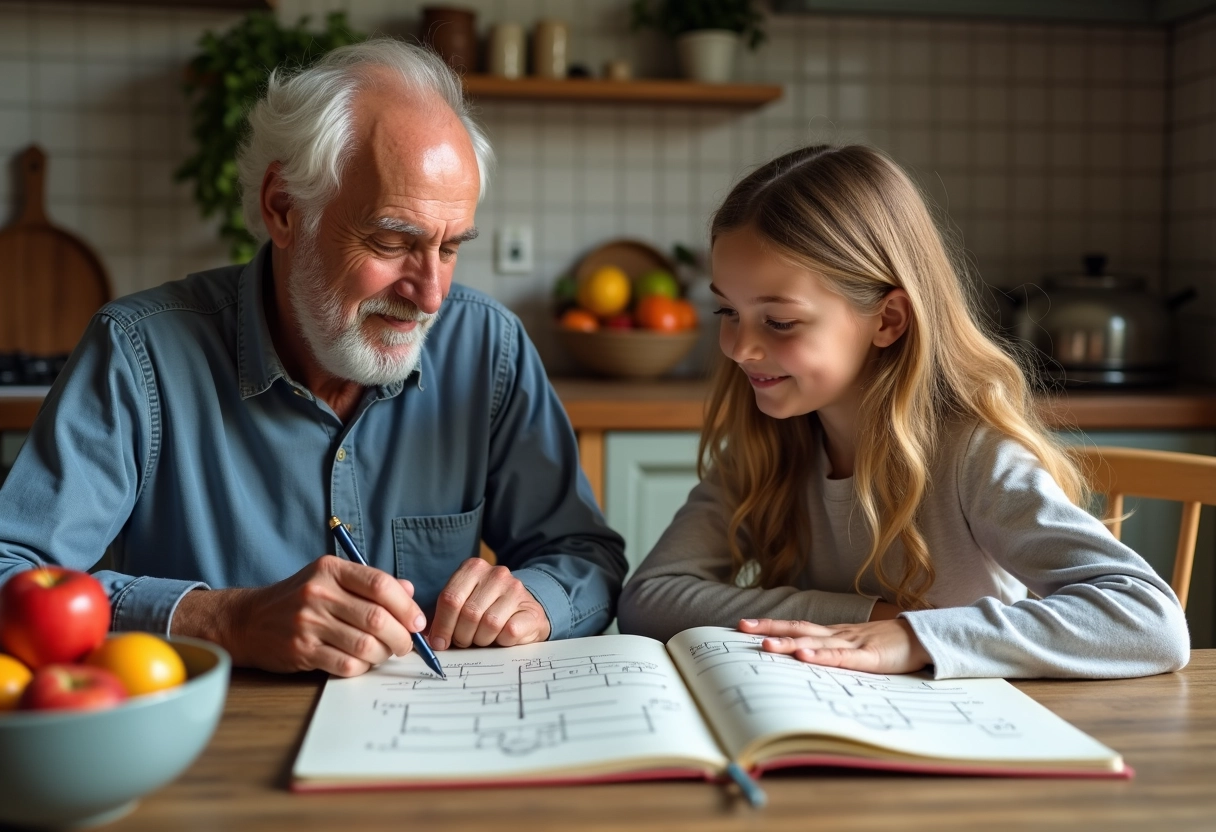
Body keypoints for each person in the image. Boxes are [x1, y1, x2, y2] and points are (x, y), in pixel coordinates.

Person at [0, 40, 626, 677]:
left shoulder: (487, 348)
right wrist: (226, 619)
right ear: (283, 207)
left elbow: (585, 558)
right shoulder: (139, 356)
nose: (430, 294)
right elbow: (9, 576)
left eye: (449, 247)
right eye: (391, 240)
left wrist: (537, 601)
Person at [617, 144, 1189, 680]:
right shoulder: (769, 444)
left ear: (888, 320)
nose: (741, 347)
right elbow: (650, 598)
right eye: (726, 311)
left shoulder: (974, 454)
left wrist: (913, 636)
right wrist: (867, 614)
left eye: (780, 321)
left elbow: (1151, 621)